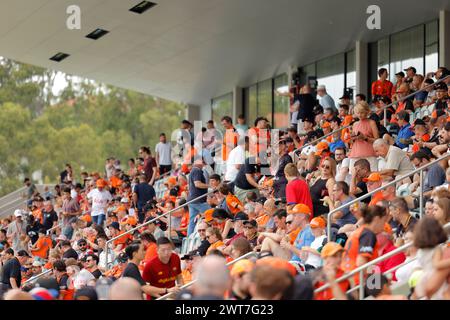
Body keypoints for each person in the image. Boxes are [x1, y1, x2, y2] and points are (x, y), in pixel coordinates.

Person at [341, 205, 388, 283]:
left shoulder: (360, 231)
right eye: (383, 221)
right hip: (357, 281)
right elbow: (361, 263)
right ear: (376, 219)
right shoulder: (368, 234)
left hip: (349, 277)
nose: (384, 225)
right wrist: (374, 283)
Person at [347, 101, 379, 171]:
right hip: (356, 152)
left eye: (362, 112)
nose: (360, 115)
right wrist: (352, 138)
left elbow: (377, 140)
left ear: (367, 112)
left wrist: (365, 138)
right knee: (354, 175)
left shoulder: (371, 122)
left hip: (369, 153)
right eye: (358, 113)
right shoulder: (355, 124)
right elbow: (352, 142)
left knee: (372, 175)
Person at [187, 157, 210, 236]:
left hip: (192, 200)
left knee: (192, 221)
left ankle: (189, 237)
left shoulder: (193, 171)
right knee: (212, 214)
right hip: (198, 200)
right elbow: (197, 184)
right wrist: (210, 186)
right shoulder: (197, 170)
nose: (203, 163)